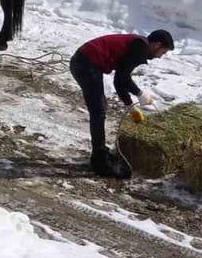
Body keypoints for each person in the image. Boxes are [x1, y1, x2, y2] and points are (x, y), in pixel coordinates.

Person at [70, 29, 175, 178]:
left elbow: (119, 81)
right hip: (86, 63)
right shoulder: (140, 48)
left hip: (85, 62)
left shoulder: (139, 45)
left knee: (100, 109)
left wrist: (130, 107)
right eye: (163, 52)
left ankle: (100, 153)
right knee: (98, 111)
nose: (160, 56)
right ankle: (100, 163)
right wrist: (139, 93)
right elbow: (122, 79)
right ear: (157, 45)